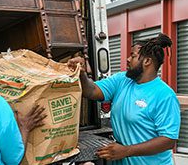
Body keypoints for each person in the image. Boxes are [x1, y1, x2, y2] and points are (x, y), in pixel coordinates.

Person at [68, 33, 180, 164]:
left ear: (147, 61)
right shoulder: (122, 80)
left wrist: (127, 151)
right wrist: (81, 74)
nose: (127, 59)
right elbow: (91, 91)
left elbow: (168, 140)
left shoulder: (164, 95)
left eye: (133, 56)